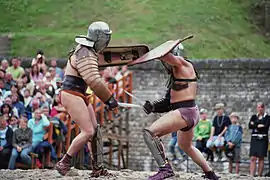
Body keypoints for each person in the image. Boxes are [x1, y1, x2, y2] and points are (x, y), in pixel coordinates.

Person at [142, 43, 219, 180]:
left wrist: (154, 53)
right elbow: (167, 103)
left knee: (150, 134)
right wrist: (152, 107)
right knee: (185, 146)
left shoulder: (183, 64)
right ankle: (210, 174)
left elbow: (165, 56)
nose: (165, 63)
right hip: (189, 112)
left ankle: (165, 169)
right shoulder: (176, 75)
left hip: (184, 112)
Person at [55, 21, 118, 177]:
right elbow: (94, 80)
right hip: (71, 93)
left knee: (95, 130)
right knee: (88, 131)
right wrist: (109, 99)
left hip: (80, 93)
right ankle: (64, 163)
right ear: (99, 37)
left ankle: (97, 168)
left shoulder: (86, 51)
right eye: (105, 37)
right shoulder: (84, 52)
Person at [248, 102, 270, 177]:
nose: (259, 108)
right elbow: (250, 126)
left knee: (261, 157)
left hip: (263, 138)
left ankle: (259, 175)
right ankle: (251, 175)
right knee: (253, 157)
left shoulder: (267, 117)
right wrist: (258, 125)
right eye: (258, 107)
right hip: (254, 138)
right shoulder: (254, 116)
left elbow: (266, 126)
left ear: (263, 108)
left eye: (261, 107)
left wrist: (254, 125)